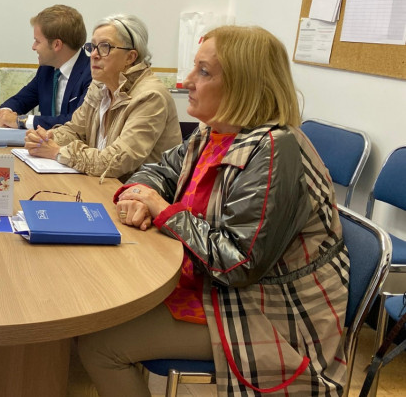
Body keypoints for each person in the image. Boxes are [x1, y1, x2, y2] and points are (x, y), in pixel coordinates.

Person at [77, 26, 350, 396]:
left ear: (243, 84)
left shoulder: (275, 149)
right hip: (222, 290)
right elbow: (160, 170)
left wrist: (163, 210)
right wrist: (140, 196)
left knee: (99, 344)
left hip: (270, 315)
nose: (187, 81)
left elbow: (239, 265)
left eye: (203, 72)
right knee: (98, 300)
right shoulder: (214, 132)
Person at [24, 15, 181, 180]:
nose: (93, 55)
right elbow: (75, 130)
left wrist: (57, 151)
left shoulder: (150, 96)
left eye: (104, 47)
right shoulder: (99, 85)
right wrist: (46, 138)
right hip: (100, 185)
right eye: (92, 46)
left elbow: (115, 162)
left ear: (130, 57)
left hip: (134, 197)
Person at [0, 4, 92, 130]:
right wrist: (5, 111)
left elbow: (77, 123)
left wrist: (22, 121)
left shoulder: (92, 74)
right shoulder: (47, 69)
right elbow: (22, 99)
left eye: (37, 41)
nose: (33, 47)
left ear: (57, 44)